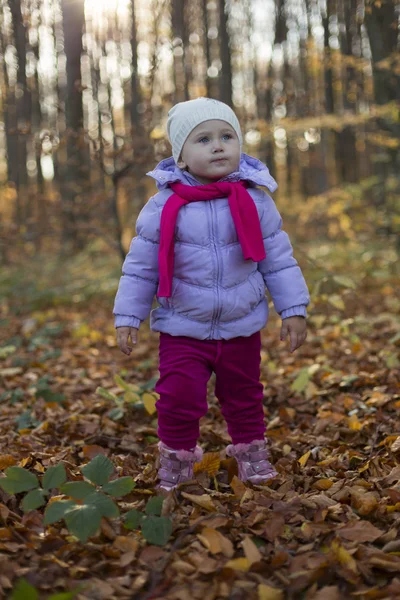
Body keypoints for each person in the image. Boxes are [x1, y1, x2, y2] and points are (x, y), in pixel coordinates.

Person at [113, 97, 309, 491]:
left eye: (227, 136)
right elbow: (141, 267)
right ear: (181, 158)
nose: (218, 145)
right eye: (203, 139)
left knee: (244, 396)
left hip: (241, 322)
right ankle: (177, 460)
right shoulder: (163, 206)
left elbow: (278, 259)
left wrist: (293, 308)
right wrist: (128, 316)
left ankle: (251, 454)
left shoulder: (255, 199)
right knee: (178, 398)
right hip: (183, 324)